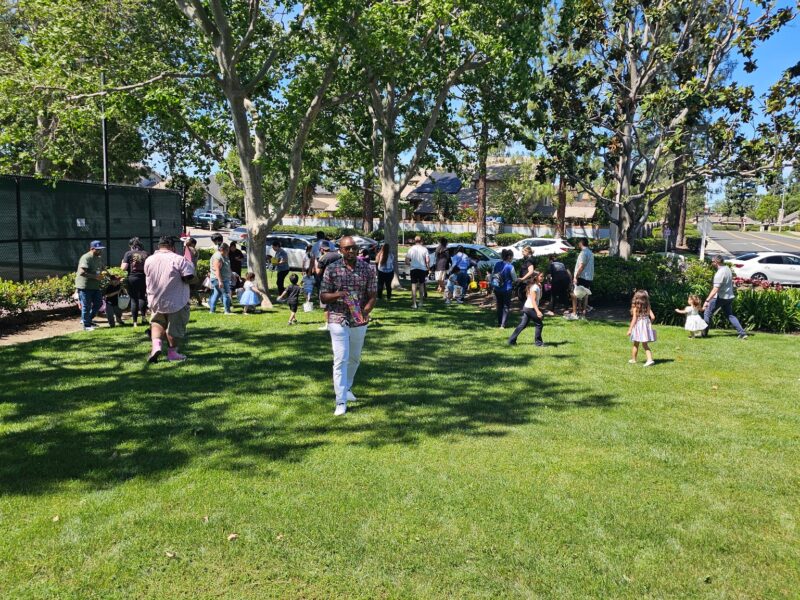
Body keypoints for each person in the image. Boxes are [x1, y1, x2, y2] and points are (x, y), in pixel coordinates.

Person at [320, 236, 377, 416]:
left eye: (354, 248)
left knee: (354, 358)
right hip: (337, 318)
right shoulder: (332, 269)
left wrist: (365, 312)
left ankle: (348, 387)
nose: (351, 251)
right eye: (347, 248)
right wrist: (339, 294)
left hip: (358, 319)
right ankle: (341, 401)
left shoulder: (367, 269)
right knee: (340, 359)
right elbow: (323, 296)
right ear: (341, 250)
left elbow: (372, 295)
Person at [144, 236, 195, 363]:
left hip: (155, 299)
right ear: (172, 247)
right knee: (174, 328)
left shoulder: (149, 260)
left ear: (159, 246)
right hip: (176, 300)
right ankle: (172, 353)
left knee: (156, 323)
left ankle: (156, 347)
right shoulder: (179, 259)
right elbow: (188, 277)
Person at [702, 255, 748, 339]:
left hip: (720, 297)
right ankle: (742, 333)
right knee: (730, 315)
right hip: (729, 296)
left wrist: (707, 300)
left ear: (716, 262)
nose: (712, 263)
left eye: (712, 261)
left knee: (707, 313)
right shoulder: (727, 269)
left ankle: (704, 334)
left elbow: (715, 289)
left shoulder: (719, 273)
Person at [508, 271, 545, 346]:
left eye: (543, 276)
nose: (542, 278)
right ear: (536, 277)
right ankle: (539, 343)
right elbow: (533, 301)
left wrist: (540, 288)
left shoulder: (536, 286)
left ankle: (511, 340)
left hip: (527, 307)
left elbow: (536, 298)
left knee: (523, 325)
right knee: (539, 324)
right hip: (530, 308)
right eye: (541, 276)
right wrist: (538, 311)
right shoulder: (534, 287)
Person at [75, 240, 106, 331]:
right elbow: (82, 272)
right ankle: (86, 325)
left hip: (95, 286)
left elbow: (103, 269)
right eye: (98, 249)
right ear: (92, 249)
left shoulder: (98, 258)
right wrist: (96, 277)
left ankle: (88, 320)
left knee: (99, 303)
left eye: (101, 249)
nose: (100, 251)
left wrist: (112, 276)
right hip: (85, 286)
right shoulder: (86, 258)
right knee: (86, 306)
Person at [121, 237, 149, 327]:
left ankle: (135, 322)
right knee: (142, 297)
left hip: (132, 278)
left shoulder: (128, 253)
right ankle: (144, 318)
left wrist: (122, 262)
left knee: (134, 299)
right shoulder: (146, 253)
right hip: (144, 277)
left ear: (131, 245)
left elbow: (123, 268)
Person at [566, 238, 594, 320]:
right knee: (584, 295)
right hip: (589, 277)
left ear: (581, 243)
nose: (578, 244)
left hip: (582, 277)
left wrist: (575, 277)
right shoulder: (590, 253)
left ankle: (575, 314)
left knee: (574, 294)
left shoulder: (583, 253)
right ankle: (583, 314)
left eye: (578, 243)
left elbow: (581, 266)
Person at [315, 242, 342, 330]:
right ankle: (339, 322)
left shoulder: (323, 258)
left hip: (326, 283)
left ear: (322, 249)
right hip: (338, 282)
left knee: (325, 304)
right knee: (338, 302)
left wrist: (315, 262)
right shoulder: (338, 255)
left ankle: (328, 325)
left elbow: (318, 272)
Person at [627, 289, 656, 366]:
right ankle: (649, 359)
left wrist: (630, 329)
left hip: (638, 328)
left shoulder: (636, 308)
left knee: (636, 344)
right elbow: (653, 317)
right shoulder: (648, 306)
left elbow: (634, 320)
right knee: (645, 344)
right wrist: (649, 324)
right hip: (646, 326)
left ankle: (634, 360)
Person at [491, 249, 517, 328]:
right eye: (512, 257)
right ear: (509, 257)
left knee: (499, 306)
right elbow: (515, 279)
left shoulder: (497, 264)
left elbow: (493, 274)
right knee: (506, 306)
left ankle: (499, 322)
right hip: (507, 289)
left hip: (497, 288)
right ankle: (503, 324)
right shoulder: (510, 266)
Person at [405, 235, 430, 309]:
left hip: (413, 269)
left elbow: (406, 261)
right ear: (421, 241)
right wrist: (427, 267)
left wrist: (411, 264)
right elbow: (427, 260)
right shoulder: (424, 249)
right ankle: (421, 302)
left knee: (413, 286)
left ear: (414, 241)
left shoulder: (411, 249)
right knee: (421, 285)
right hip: (422, 269)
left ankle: (414, 303)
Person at [209, 242, 233, 315]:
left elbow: (226, 267)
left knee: (217, 294)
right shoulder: (218, 256)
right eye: (227, 250)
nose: (228, 251)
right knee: (226, 294)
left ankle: (212, 311)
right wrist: (220, 281)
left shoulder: (223, 255)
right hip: (219, 279)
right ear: (222, 249)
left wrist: (232, 274)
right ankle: (227, 311)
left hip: (222, 278)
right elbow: (217, 270)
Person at [182, 237, 203, 305]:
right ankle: (197, 301)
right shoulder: (189, 249)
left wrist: (186, 244)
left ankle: (194, 301)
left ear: (192, 244)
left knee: (192, 288)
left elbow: (193, 252)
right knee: (191, 288)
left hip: (192, 272)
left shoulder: (193, 250)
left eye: (189, 243)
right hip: (189, 271)